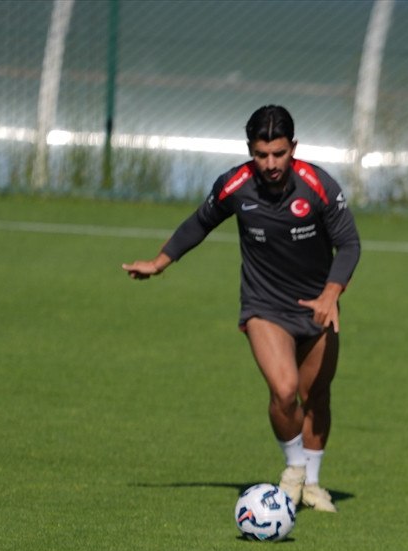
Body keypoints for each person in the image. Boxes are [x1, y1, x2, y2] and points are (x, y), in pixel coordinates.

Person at [122, 105, 361, 513]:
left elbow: (350, 244)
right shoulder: (235, 185)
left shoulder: (318, 185)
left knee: (316, 395)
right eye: (261, 154)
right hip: (264, 305)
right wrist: (160, 262)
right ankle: (294, 470)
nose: (271, 164)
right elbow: (199, 223)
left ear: (293, 148)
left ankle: (312, 484)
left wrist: (331, 293)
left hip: (318, 306)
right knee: (284, 391)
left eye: (279, 153)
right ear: (250, 150)